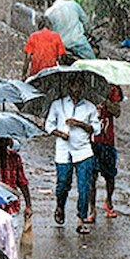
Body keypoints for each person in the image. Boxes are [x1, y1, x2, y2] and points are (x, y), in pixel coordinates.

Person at [44, 75, 102, 234]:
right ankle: (60, 206)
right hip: (63, 151)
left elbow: (96, 129)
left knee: (84, 186)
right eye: (74, 86)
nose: (77, 90)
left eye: (80, 86)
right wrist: (60, 134)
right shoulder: (58, 104)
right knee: (63, 184)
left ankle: (80, 218)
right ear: (69, 87)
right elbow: (48, 126)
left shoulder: (89, 107)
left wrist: (80, 124)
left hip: (84, 151)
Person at [90, 83, 123, 220]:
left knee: (110, 176)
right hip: (91, 141)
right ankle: (92, 209)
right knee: (91, 178)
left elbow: (117, 112)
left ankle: (108, 201)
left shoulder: (112, 89)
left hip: (107, 141)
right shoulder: (89, 88)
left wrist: (106, 101)